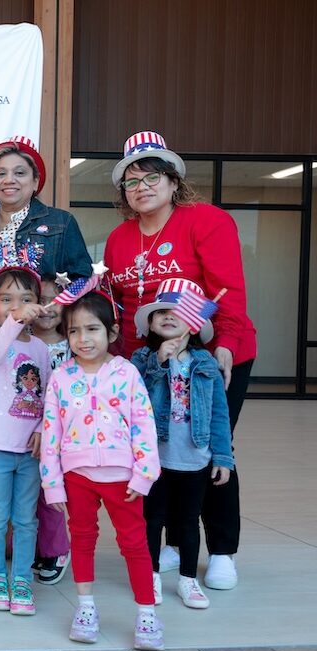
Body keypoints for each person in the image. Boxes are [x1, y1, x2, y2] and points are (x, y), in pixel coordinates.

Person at [103, 131, 256, 590]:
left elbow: (228, 291)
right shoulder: (119, 239)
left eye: (152, 177)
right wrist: (123, 364)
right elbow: (122, 307)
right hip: (151, 364)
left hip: (210, 357)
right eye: (132, 182)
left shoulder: (206, 221)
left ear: (173, 181)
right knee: (161, 451)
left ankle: (223, 550)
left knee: (206, 448)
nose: (142, 187)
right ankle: (174, 542)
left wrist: (225, 344)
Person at [39, 290, 163, 651]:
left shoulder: (127, 373)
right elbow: (51, 432)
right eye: (74, 331)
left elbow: (144, 425)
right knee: (81, 539)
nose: (83, 338)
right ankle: (86, 608)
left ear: (111, 332)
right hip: (77, 476)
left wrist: (144, 474)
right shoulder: (61, 376)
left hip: (123, 477)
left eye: (92, 329)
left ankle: (146, 613)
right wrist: (52, 485)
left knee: (134, 543)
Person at [130, 278, 234, 609]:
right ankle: (151, 575)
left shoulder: (205, 363)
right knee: (153, 518)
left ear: (195, 323)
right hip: (154, 458)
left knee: (189, 520)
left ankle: (188, 579)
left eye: (178, 311)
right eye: (161, 311)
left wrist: (223, 457)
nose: (169, 316)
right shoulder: (142, 359)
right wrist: (158, 364)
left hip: (195, 459)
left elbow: (219, 413)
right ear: (150, 323)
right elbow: (131, 399)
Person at [0, 136, 92, 331]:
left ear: (35, 181)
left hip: (41, 339)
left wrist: (56, 304)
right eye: (1, 173)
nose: (9, 180)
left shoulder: (61, 223)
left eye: (19, 173)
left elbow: (84, 279)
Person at [0, 262, 49, 616]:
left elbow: (48, 395)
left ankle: (21, 579)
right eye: (6, 299)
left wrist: (42, 429)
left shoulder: (41, 348)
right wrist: (14, 320)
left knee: (25, 520)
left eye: (25, 299)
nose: (16, 305)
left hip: (30, 451)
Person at [30, 274, 72, 585]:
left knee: (51, 492)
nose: (47, 308)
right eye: (39, 301)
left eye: (55, 300)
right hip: (24, 428)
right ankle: (33, 546)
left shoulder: (72, 345)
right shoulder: (22, 341)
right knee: (27, 493)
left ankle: (56, 549)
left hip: (61, 430)